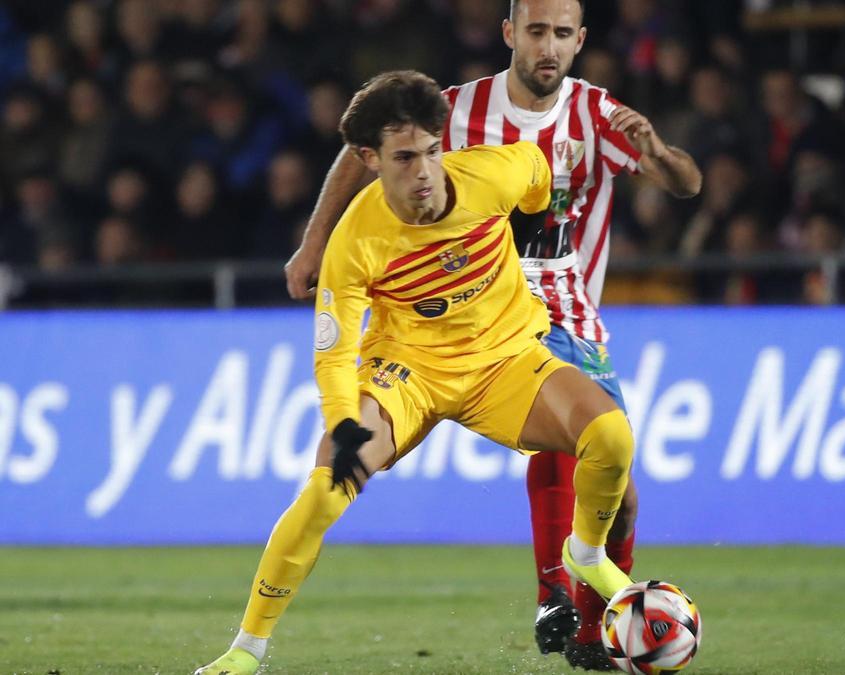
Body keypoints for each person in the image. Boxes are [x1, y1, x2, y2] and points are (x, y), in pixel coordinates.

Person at [282, 0, 701, 668]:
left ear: (580, 41)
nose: (548, 47)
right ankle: (562, 600)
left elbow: (685, 183)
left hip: (572, 305)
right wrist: (314, 243)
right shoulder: (455, 110)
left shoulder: (596, 114)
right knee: (572, 446)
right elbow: (359, 157)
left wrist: (656, 150)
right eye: (536, 31)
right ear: (510, 33)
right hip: (478, 310)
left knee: (622, 493)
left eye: (563, 35)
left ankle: (584, 619)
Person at [195, 70, 639, 675]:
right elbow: (332, 351)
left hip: (506, 358)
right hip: (409, 374)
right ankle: (246, 649)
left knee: (612, 437)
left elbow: (537, 175)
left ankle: (583, 552)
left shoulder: (491, 172)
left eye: (432, 150)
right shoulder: (354, 240)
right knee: (325, 490)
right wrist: (342, 419)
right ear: (368, 159)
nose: (424, 170)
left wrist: (534, 226)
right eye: (404, 157)